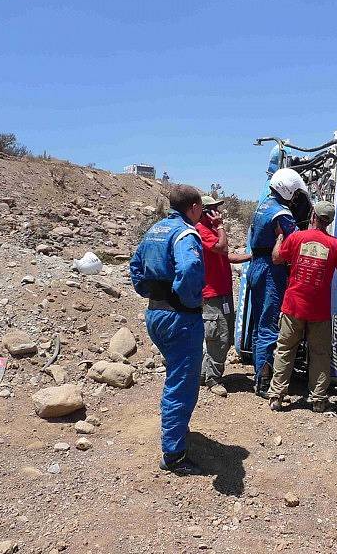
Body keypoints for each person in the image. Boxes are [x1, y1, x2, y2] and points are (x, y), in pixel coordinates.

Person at [130, 184, 205, 474]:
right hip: (180, 318)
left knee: (176, 375)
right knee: (181, 384)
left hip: (155, 313)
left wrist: (151, 291)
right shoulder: (186, 233)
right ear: (194, 207)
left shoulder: (155, 230)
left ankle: (175, 431)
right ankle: (173, 455)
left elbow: (135, 265)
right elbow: (189, 269)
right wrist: (186, 299)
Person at [268, 201, 337, 412]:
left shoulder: (296, 238)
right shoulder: (336, 245)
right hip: (320, 311)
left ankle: (277, 396)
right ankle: (318, 400)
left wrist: (279, 239)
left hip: (293, 306)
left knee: (285, 349)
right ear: (329, 221)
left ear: (313, 215)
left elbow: (277, 259)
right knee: (320, 354)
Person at [247, 168, 308, 396]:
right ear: (289, 189)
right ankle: (264, 380)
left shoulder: (262, 206)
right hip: (272, 270)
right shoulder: (282, 214)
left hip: (256, 266)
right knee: (270, 324)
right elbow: (295, 244)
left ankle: (258, 373)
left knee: (258, 323)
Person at [196, 195, 251, 397]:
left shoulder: (209, 231)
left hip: (223, 293)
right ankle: (213, 379)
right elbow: (222, 248)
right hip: (213, 295)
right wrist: (220, 226)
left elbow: (226, 256)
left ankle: (204, 374)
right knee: (218, 337)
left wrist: (252, 256)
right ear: (205, 212)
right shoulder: (202, 230)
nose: (218, 213)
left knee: (224, 336)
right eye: (214, 210)